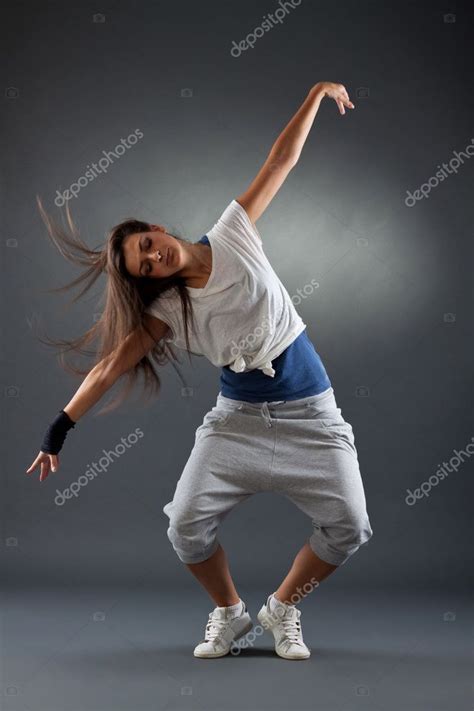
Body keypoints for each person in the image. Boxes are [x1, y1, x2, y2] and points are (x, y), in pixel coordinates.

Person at [26, 81, 373, 661]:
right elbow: (111, 365)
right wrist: (58, 428)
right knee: (184, 525)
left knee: (351, 526)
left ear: (156, 228)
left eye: (147, 243)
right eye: (144, 264)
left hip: (312, 417)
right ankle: (231, 615)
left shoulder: (235, 231)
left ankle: (283, 607)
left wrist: (315, 95)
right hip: (235, 424)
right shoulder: (166, 311)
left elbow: (280, 161)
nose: (153, 255)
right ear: (148, 279)